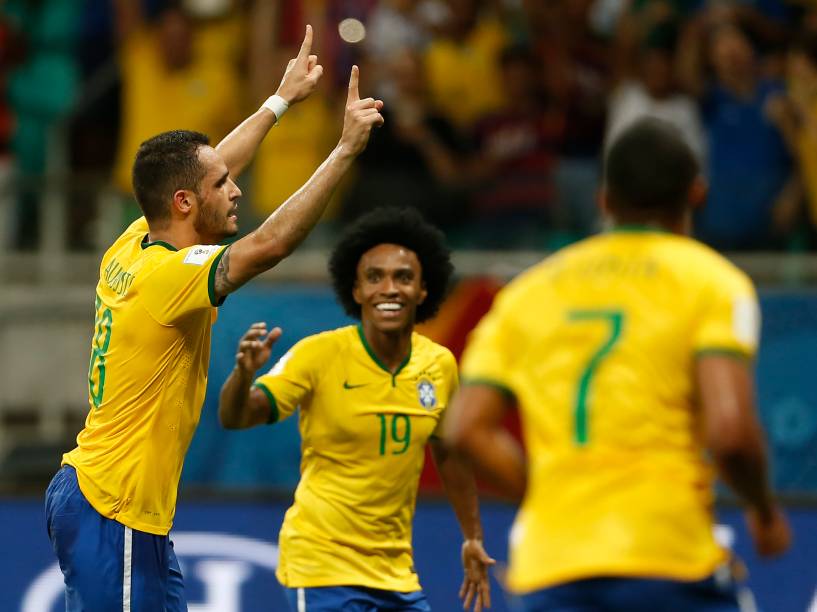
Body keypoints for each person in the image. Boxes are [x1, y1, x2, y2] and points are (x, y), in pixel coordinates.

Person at [44, 25, 385, 611]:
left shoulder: (133, 242)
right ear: (184, 204)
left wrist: (278, 102)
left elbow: (206, 166)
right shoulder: (170, 277)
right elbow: (269, 245)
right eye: (222, 186)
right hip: (116, 509)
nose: (234, 189)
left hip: (94, 494)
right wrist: (344, 149)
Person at [445, 117, 791, 611]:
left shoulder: (528, 293)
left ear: (604, 200)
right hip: (670, 561)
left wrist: (546, 496)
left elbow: (465, 430)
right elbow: (732, 433)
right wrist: (762, 510)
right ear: (696, 194)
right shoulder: (712, 282)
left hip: (552, 566)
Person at [219, 207, 495, 612]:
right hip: (321, 567)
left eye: (403, 278)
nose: (389, 288)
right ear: (357, 290)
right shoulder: (318, 354)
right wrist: (242, 376)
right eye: (375, 277)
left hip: (396, 572)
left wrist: (472, 536)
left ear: (423, 290)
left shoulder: (439, 365)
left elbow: (449, 454)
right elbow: (237, 416)